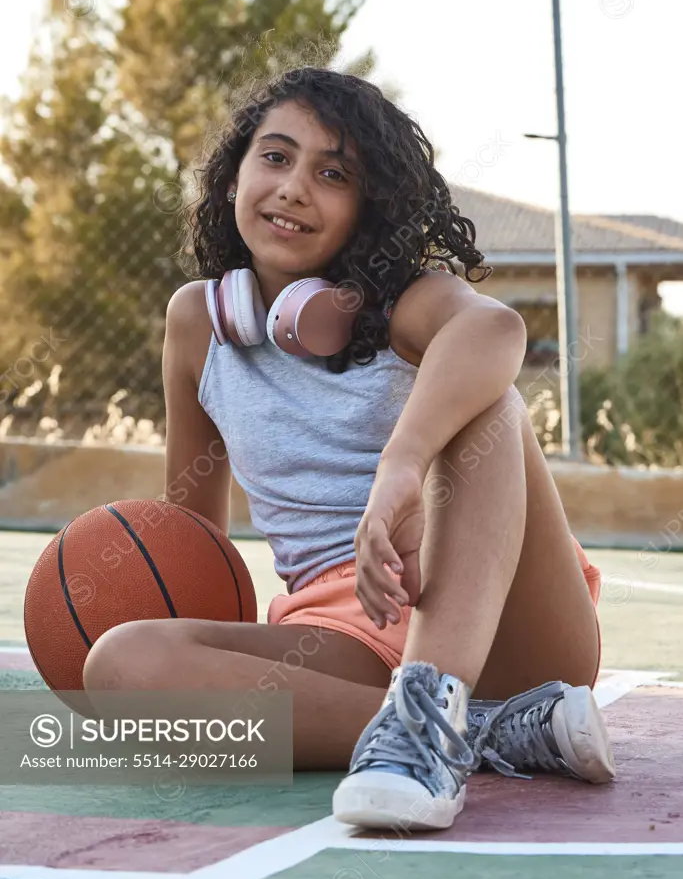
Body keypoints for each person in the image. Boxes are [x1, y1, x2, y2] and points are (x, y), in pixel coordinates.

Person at [83, 66, 614, 833]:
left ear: (368, 209)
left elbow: (495, 329)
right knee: (122, 665)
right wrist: (181, 682)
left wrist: (403, 466)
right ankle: (477, 731)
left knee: (487, 405)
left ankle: (437, 702)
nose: (294, 187)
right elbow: (191, 543)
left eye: (332, 173)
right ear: (234, 176)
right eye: (275, 157)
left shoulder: (410, 301)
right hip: (342, 634)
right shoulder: (199, 323)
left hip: (506, 624)